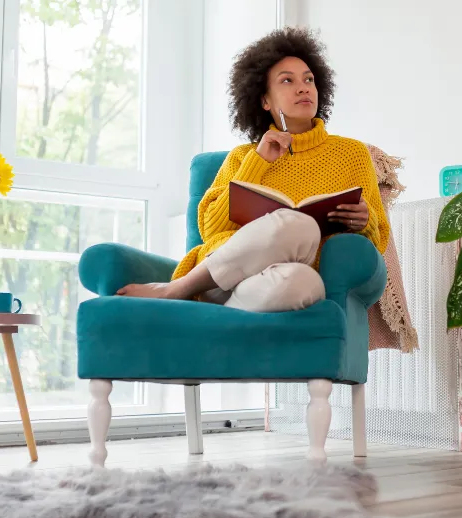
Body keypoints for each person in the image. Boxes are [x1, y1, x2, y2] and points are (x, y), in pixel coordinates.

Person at [118, 27, 389, 312]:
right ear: (264, 100)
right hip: (217, 282)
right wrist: (258, 162)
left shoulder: (351, 154)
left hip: (280, 282)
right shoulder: (243, 156)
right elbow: (211, 230)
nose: (303, 87)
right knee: (298, 224)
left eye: (309, 79)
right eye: (287, 80)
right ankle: (178, 289)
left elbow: (378, 239)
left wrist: (365, 221)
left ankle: (220, 324)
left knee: (306, 283)